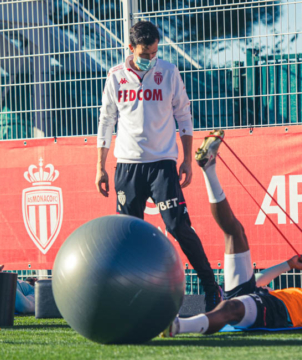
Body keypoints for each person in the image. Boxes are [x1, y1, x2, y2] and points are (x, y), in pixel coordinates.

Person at [162, 130, 302, 336]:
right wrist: (287, 265)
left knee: (229, 308)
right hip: (259, 296)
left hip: (274, 312)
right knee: (235, 233)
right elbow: (256, 281)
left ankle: (177, 326)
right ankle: (208, 167)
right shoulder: (300, 293)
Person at [95, 20, 221, 310]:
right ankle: (131, 295)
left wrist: (187, 160)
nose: (150, 59)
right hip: (127, 166)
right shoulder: (115, 76)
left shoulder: (168, 72)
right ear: (130, 48)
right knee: (129, 234)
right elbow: (105, 123)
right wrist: (100, 167)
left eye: (154, 52)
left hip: (163, 164)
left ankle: (211, 288)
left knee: (178, 226)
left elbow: (184, 117)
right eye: (145, 53)